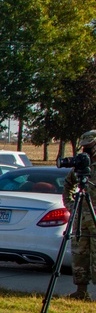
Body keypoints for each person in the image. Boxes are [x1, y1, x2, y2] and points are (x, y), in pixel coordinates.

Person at [62, 129, 96, 301]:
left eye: (90, 146)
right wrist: (70, 204)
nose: (86, 150)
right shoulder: (82, 166)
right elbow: (68, 184)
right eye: (84, 146)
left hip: (95, 219)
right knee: (79, 254)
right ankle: (81, 291)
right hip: (81, 218)